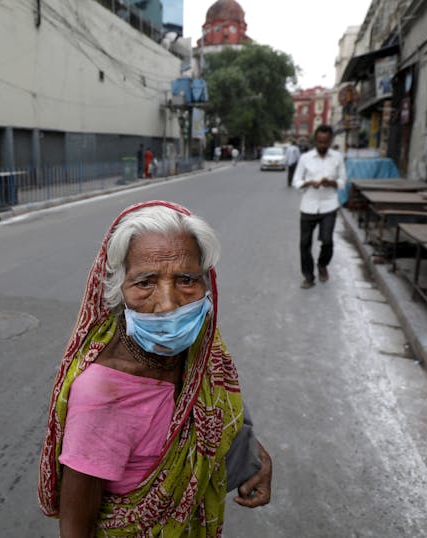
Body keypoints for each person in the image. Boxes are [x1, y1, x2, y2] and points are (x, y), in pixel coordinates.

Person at [38, 201, 272, 536]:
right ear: (119, 290)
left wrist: (256, 455)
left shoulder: (201, 348)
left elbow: (218, 414)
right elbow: (76, 529)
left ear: (207, 283)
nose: (167, 303)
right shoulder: (104, 395)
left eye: (186, 279)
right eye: (145, 282)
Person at [292, 125, 346, 289]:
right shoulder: (305, 158)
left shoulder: (337, 157)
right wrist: (308, 183)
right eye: (320, 141)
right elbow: (296, 181)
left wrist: (331, 182)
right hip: (308, 205)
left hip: (329, 205)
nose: (323, 144)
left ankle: (322, 265)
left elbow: (343, 181)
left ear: (330, 141)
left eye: (326, 141)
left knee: (327, 241)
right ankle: (309, 277)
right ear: (316, 140)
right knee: (304, 244)